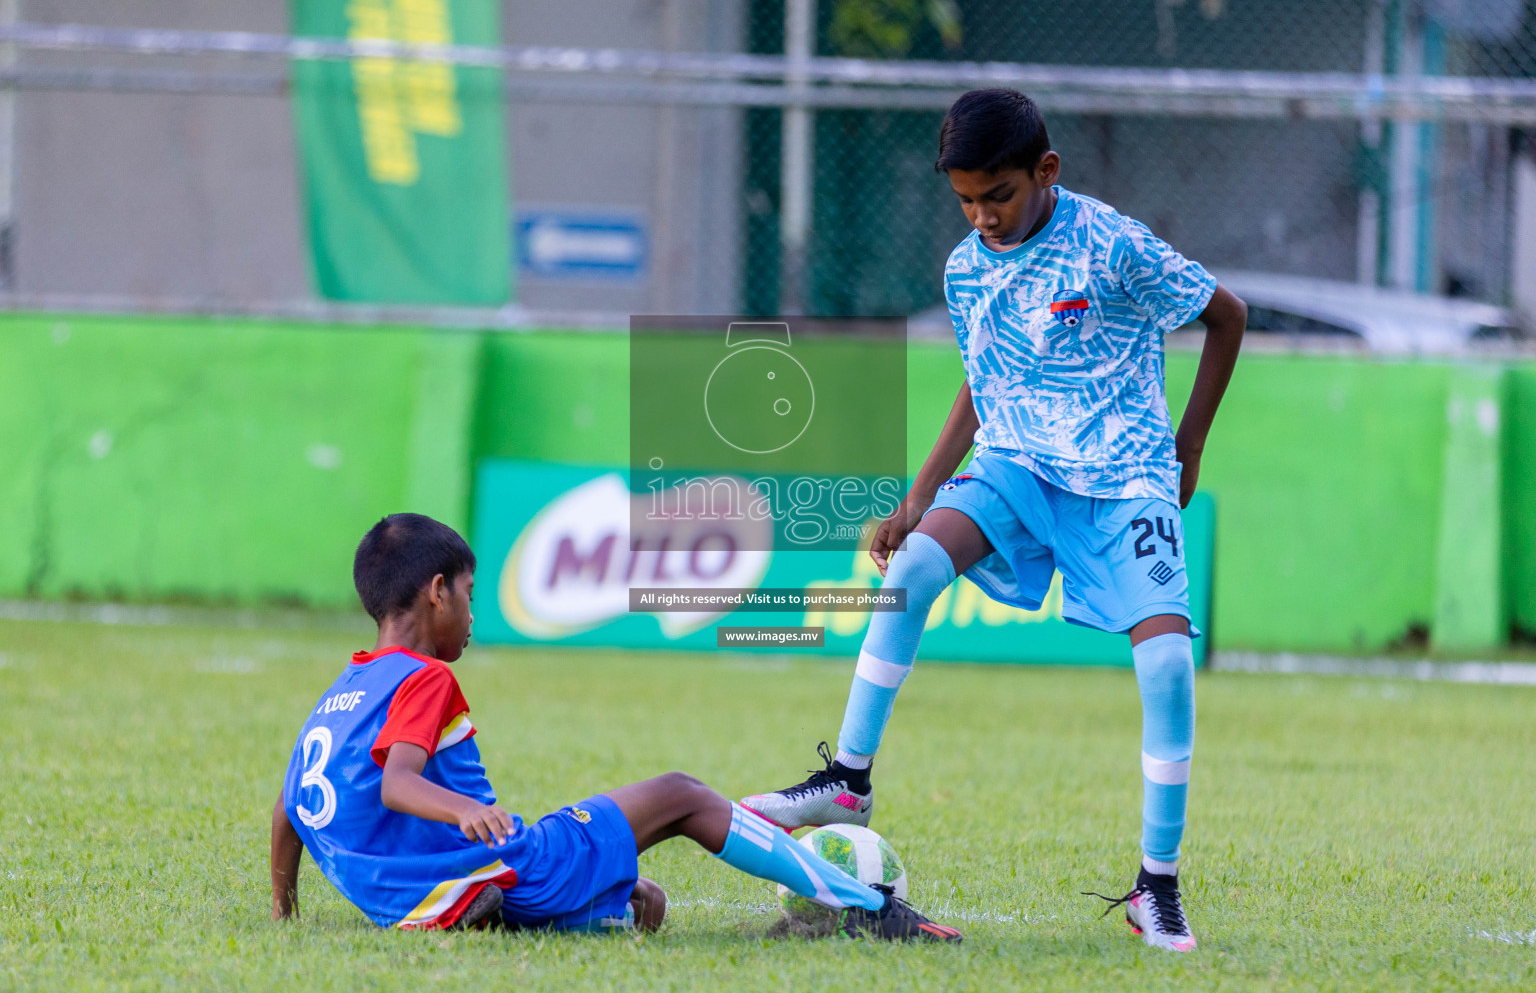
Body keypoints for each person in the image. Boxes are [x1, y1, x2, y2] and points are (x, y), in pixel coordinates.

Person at [741, 88, 1247, 953]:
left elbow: (1225, 315)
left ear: (1045, 172)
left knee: (1166, 663)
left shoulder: (1111, 244)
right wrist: (916, 499)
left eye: (999, 196)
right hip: (1016, 463)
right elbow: (982, 385)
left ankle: (1154, 885)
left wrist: (1188, 446)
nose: (983, 216)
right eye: (967, 200)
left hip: (1124, 477)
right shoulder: (967, 268)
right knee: (912, 572)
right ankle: (849, 779)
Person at [269, 512, 961, 942]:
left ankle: (564, 910)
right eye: (471, 596)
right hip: (506, 861)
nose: (474, 617)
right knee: (680, 794)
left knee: (642, 900)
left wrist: (285, 908)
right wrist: (464, 809)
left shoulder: (346, 688)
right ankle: (867, 904)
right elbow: (398, 783)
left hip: (404, 895)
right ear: (436, 591)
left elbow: (289, 807)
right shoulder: (426, 677)